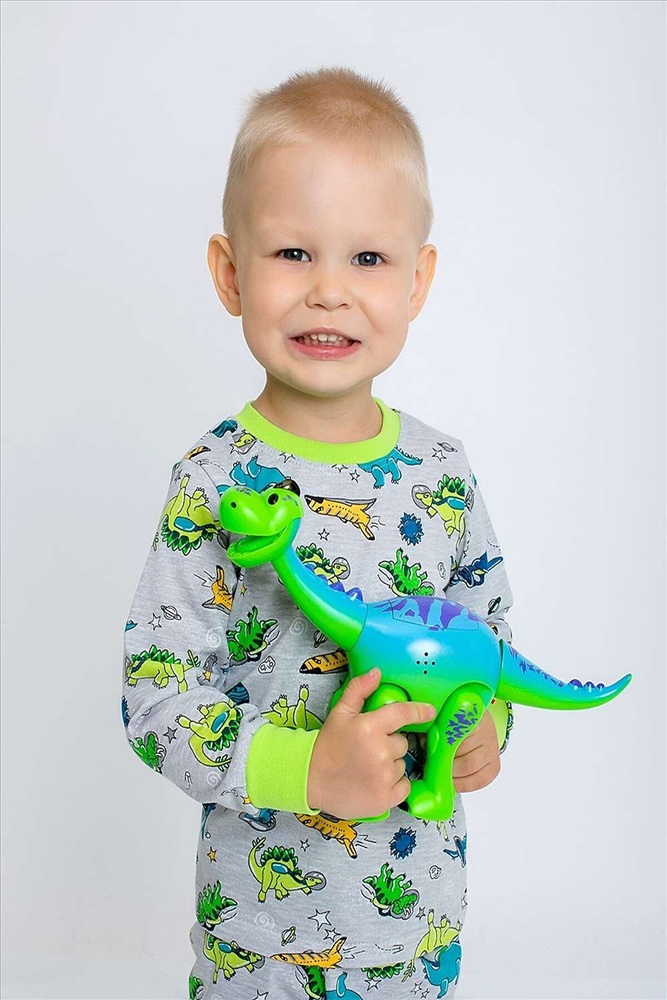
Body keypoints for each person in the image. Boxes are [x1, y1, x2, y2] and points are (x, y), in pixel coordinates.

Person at [123, 66, 514, 1000]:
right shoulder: (215, 482)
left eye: (367, 259)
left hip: (416, 933)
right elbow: (155, 695)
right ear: (231, 274)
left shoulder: (442, 472)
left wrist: (487, 724)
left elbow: (489, 639)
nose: (329, 291)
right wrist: (304, 769)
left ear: (417, 280)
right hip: (259, 945)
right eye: (293, 253)